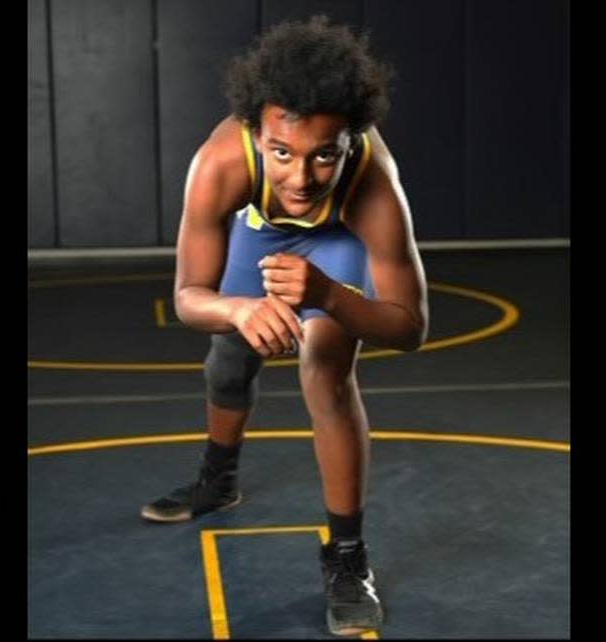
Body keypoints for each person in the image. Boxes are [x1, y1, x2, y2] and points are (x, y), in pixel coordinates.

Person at [140, 15, 428, 637]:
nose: (301, 179)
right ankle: (218, 479)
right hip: (261, 234)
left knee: (325, 367)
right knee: (229, 356)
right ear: (256, 131)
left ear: (350, 141)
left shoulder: (374, 187)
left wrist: (327, 295)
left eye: (324, 154)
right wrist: (238, 310)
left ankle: (348, 558)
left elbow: (409, 328)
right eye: (281, 153)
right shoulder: (220, 162)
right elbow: (189, 295)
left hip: (338, 243)